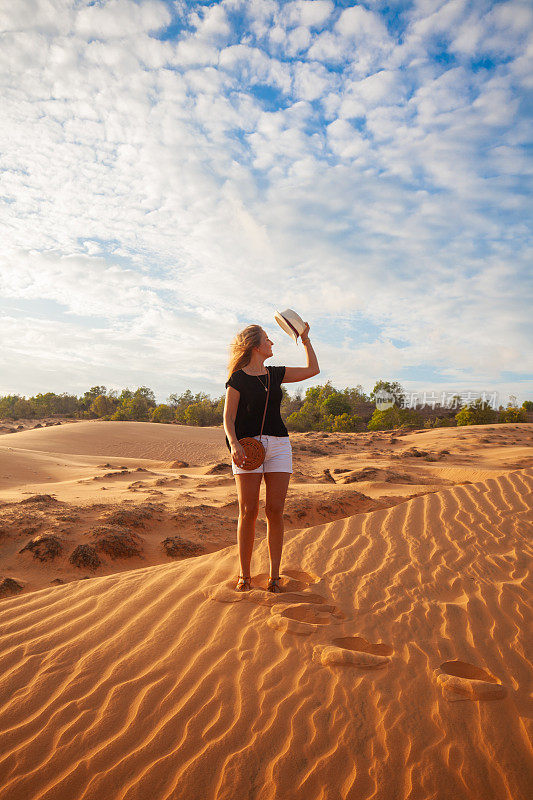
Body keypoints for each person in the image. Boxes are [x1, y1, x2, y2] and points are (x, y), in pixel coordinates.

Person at [223, 323, 319, 592]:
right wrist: (233, 445)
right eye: (267, 340)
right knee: (248, 511)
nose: (272, 343)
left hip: (279, 446)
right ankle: (245, 575)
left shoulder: (275, 374)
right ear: (256, 346)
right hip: (247, 448)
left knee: (275, 511)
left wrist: (306, 340)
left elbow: (313, 370)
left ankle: (275, 576)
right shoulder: (238, 378)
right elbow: (228, 417)